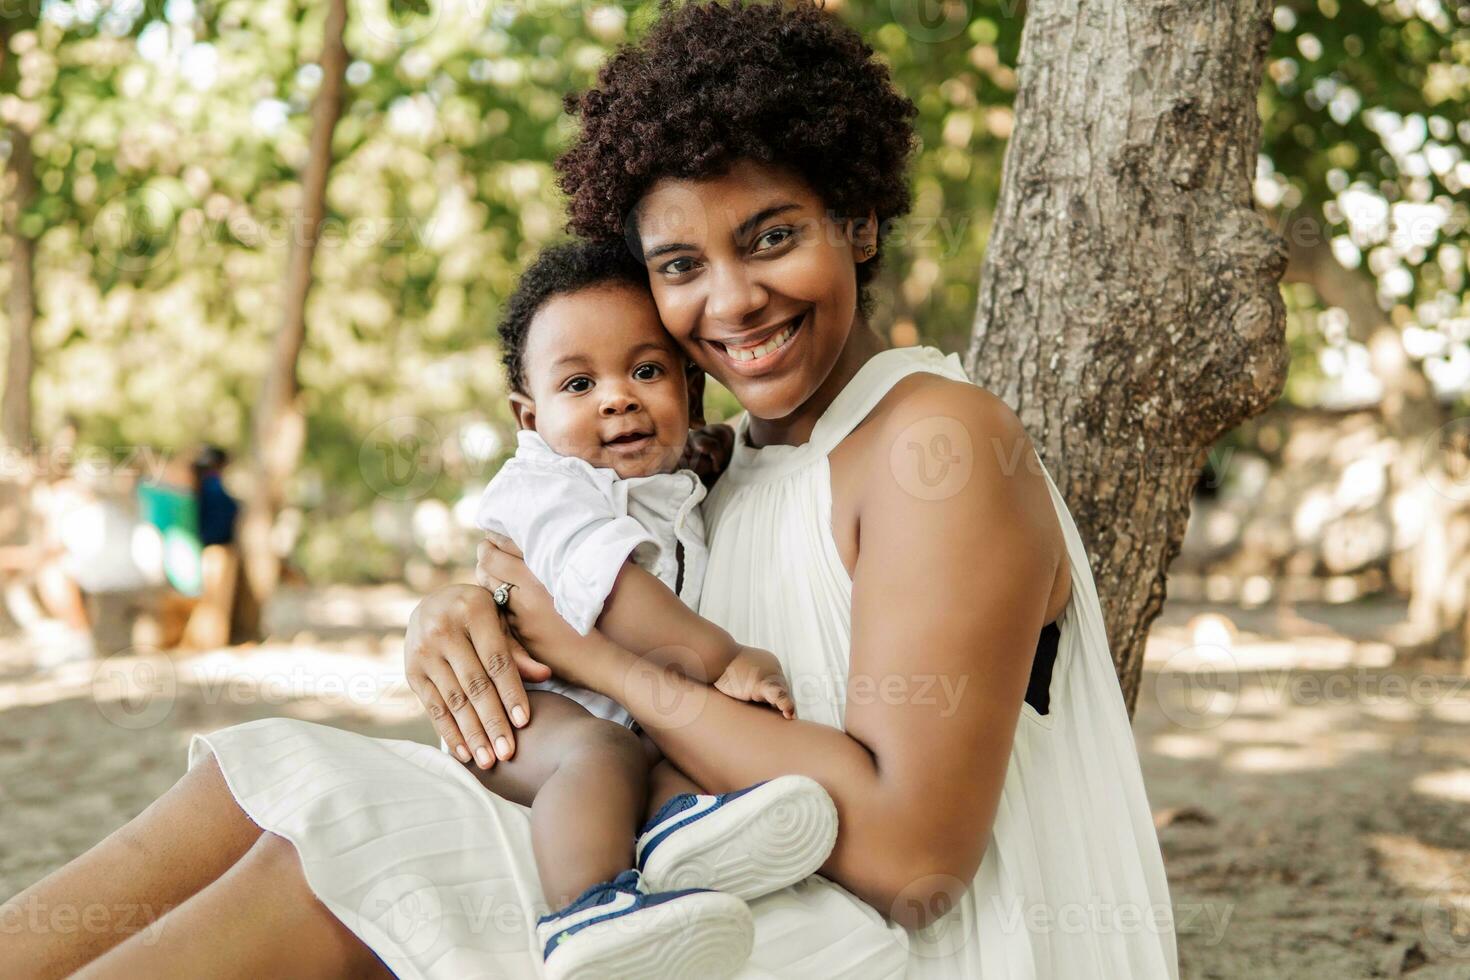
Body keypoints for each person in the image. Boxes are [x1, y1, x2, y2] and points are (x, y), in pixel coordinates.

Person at [0, 4, 1179, 977]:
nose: (731, 301)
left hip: (923, 936)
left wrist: (603, 660)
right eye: (680, 266)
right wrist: (462, 615)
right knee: (269, 780)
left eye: (771, 237)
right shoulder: (735, 455)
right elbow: (584, 569)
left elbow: (916, 855)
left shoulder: (940, 446)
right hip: (746, 870)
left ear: (859, 219)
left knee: (353, 850)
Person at [466, 237, 838, 979]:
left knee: (657, 753)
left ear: (690, 391)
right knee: (601, 754)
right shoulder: (547, 489)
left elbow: (690, 470)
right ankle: (583, 913)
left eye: (645, 371)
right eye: (578, 384)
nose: (618, 396)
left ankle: (680, 834)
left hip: (614, 709)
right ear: (528, 417)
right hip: (527, 717)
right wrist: (724, 657)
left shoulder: (660, 478)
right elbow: (618, 596)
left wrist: (713, 449)